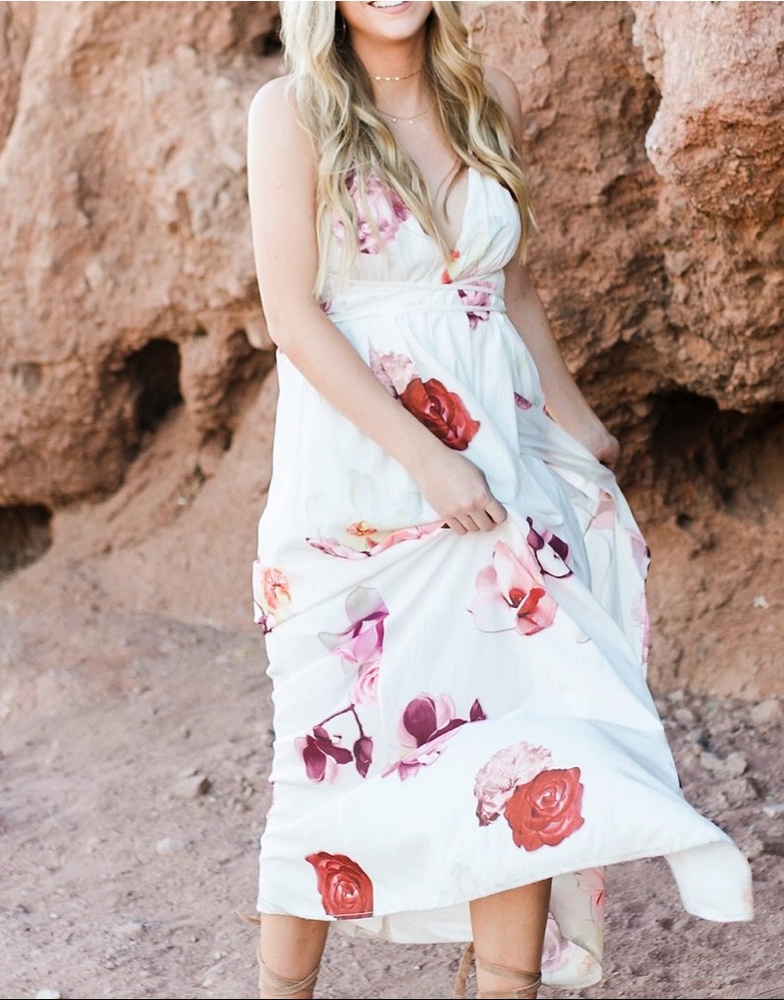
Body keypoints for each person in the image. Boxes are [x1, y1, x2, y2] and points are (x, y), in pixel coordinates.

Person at [245, 2, 754, 997]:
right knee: (331, 757)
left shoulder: (488, 100)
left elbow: (511, 293)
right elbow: (291, 317)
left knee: (526, 740)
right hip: (358, 478)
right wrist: (427, 460)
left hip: (502, 459)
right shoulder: (290, 110)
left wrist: (574, 422)